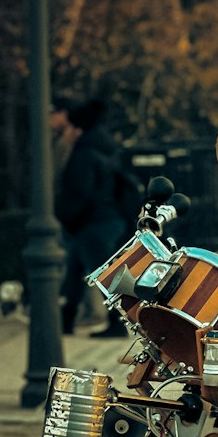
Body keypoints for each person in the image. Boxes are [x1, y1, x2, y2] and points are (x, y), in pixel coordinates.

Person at [55, 99, 131, 337]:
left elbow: (79, 191)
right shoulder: (105, 149)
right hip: (105, 218)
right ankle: (65, 319)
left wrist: (65, 216)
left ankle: (117, 321)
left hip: (92, 222)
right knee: (78, 269)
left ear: (78, 128)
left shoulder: (84, 154)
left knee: (103, 274)